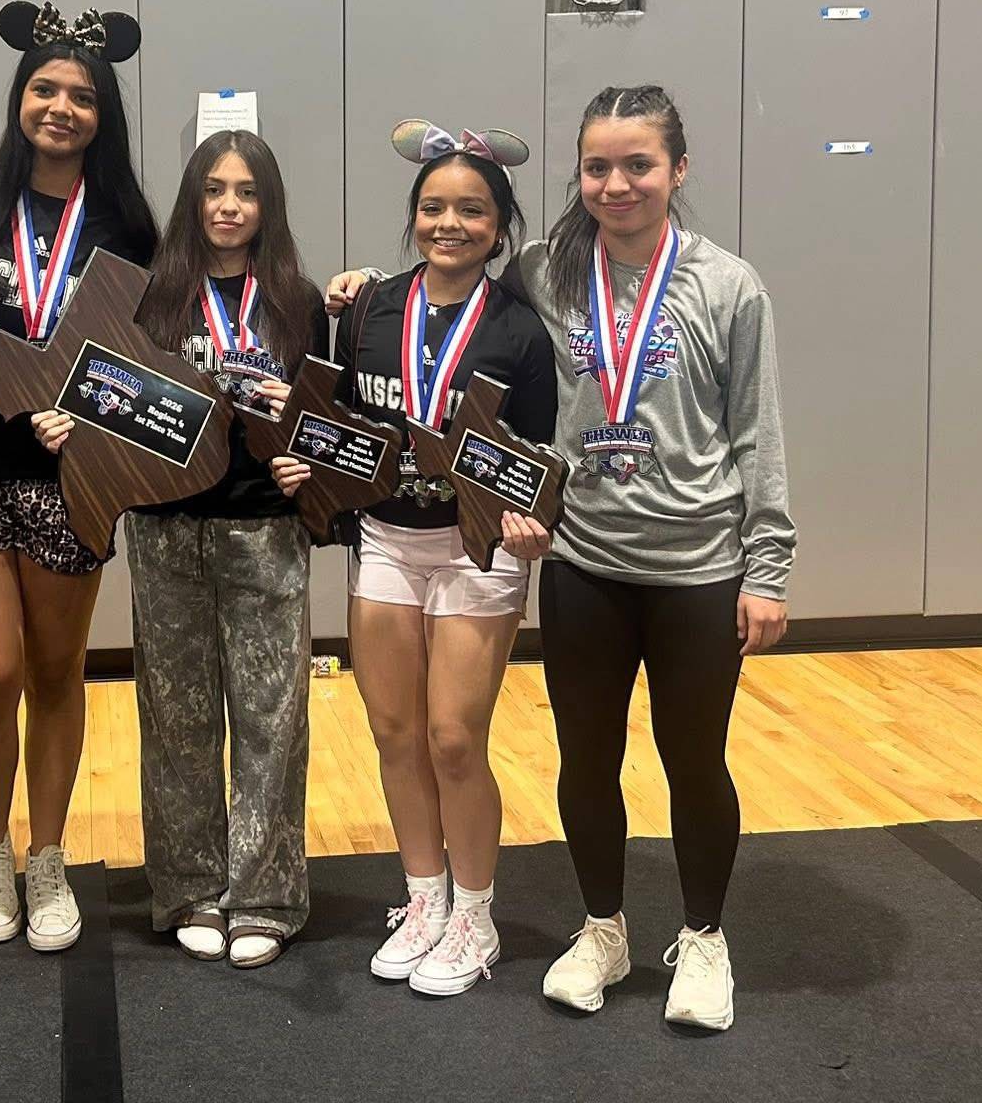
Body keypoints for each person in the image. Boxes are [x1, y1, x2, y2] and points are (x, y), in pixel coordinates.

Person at [328, 86, 795, 1031]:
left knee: (694, 760)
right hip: (584, 559)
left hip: (698, 565)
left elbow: (757, 432)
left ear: (678, 170)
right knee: (586, 759)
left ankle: (704, 938)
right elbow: (451, 270)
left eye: (638, 165)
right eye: (597, 167)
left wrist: (768, 567)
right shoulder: (549, 271)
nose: (616, 185)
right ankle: (603, 928)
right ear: (578, 176)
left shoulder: (729, 286)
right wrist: (365, 284)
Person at [275, 121, 557, 998]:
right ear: (413, 216)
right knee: (395, 734)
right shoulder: (367, 309)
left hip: (476, 548)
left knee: (453, 739)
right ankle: (425, 898)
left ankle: (476, 914)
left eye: (471, 211)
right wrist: (307, 466)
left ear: (499, 228)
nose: (450, 224)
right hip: (387, 540)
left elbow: (537, 455)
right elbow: (336, 422)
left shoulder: (520, 328)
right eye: (434, 208)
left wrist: (531, 520)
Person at [32, 131, 325, 968]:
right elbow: (101, 397)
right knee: (176, 718)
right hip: (165, 529)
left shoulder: (298, 302)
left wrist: (302, 440)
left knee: (270, 719)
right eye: (214, 189)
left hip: (264, 526)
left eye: (247, 192)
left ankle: (265, 896)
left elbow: (323, 421)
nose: (229, 206)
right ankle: (190, 888)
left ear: (268, 205)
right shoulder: (150, 298)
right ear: (193, 199)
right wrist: (67, 428)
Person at [0, 0, 159, 951]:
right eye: (45, 89)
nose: (61, 108)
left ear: (104, 116)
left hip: (70, 483)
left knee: (57, 672)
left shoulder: (126, 221)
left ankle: (50, 855)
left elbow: (144, 365)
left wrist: (92, 416)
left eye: (82, 97)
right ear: (20, 96)